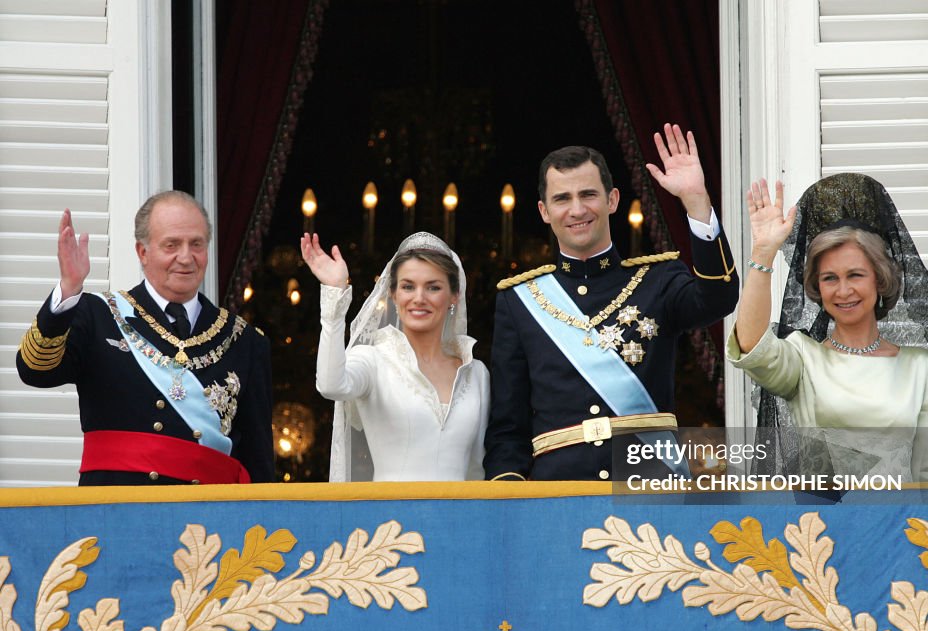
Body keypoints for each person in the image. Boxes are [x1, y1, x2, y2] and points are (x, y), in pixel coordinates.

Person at [484, 124, 739, 481]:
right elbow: (507, 427)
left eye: (588, 194)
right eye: (562, 199)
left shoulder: (658, 279)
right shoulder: (520, 301)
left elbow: (719, 298)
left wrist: (696, 201)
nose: (576, 210)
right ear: (544, 211)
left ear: (612, 200)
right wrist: (512, 501)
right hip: (558, 495)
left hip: (650, 488)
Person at [16, 191, 274, 484]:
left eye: (197, 244)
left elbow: (258, 460)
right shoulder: (97, 315)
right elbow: (35, 370)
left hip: (206, 521)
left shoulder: (245, 341)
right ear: (143, 252)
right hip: (113, 512)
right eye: (171, 245)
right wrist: (68, 289)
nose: (186, 257)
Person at [727, 174, 928, 481]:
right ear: (817, 287)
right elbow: (751, 347)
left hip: (899, 526)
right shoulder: (803, 357)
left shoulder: (921, 367)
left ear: (879, 279)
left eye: (855, 275)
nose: (843, 291)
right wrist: (762, 253)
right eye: (830, 278)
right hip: (823, 525)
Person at [302, 230, 488, 481]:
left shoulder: (476, 373)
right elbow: (330, 385)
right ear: (393, 294)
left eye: (433, 287)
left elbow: (477, 467)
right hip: (392, 518)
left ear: (454, 296)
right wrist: (335, 296)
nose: (419, 298)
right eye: (408, 286)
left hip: (461, 518)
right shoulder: (372, 360)